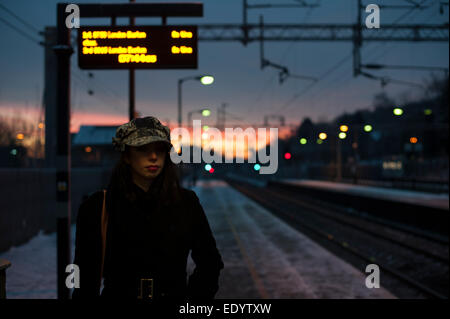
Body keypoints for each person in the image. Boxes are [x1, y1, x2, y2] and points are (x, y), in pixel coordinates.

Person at [72, 116, 224, 300]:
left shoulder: (186, 202)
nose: (153, 156)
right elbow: (84, 276)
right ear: (127, 156)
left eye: (159, 150)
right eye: (142, 149)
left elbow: (210, 262)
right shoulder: (98, 206)